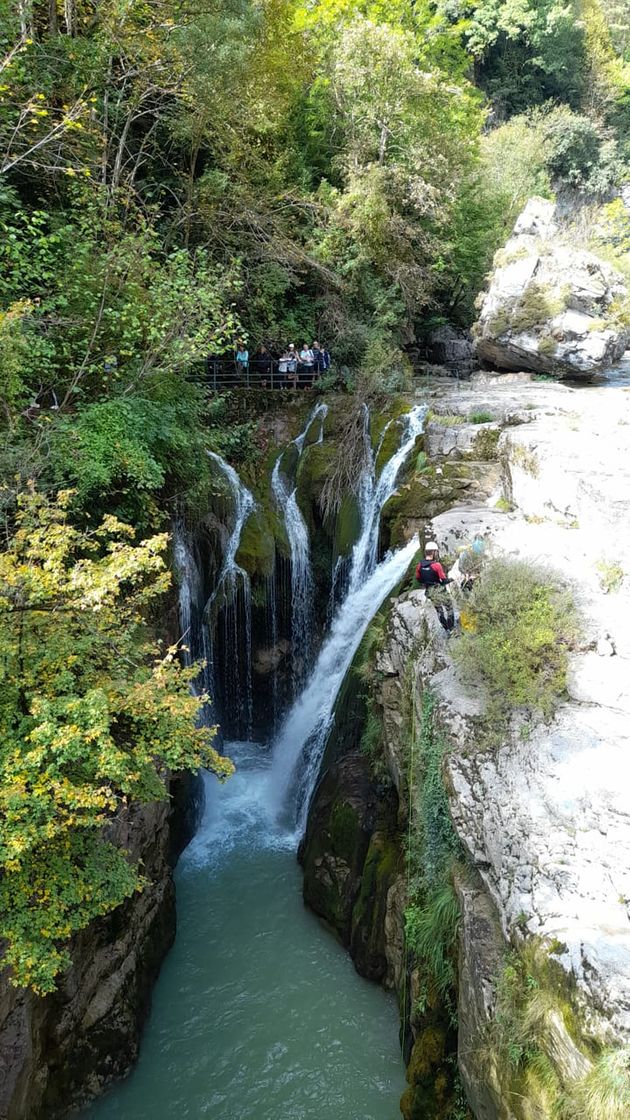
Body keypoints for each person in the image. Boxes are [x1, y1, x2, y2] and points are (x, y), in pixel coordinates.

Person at [416, 540, 454, 631]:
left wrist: (427, 582)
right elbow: (443, 580)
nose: (437, 553)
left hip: (430, 591)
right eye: (436, 552)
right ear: (433, 552)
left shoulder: (420, 565)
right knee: (449, 607)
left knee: (439, 611)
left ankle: (446, 629)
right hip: (439, 590)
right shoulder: (436, 565)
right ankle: (451, 628)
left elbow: (418, 578)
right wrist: (451, 579)